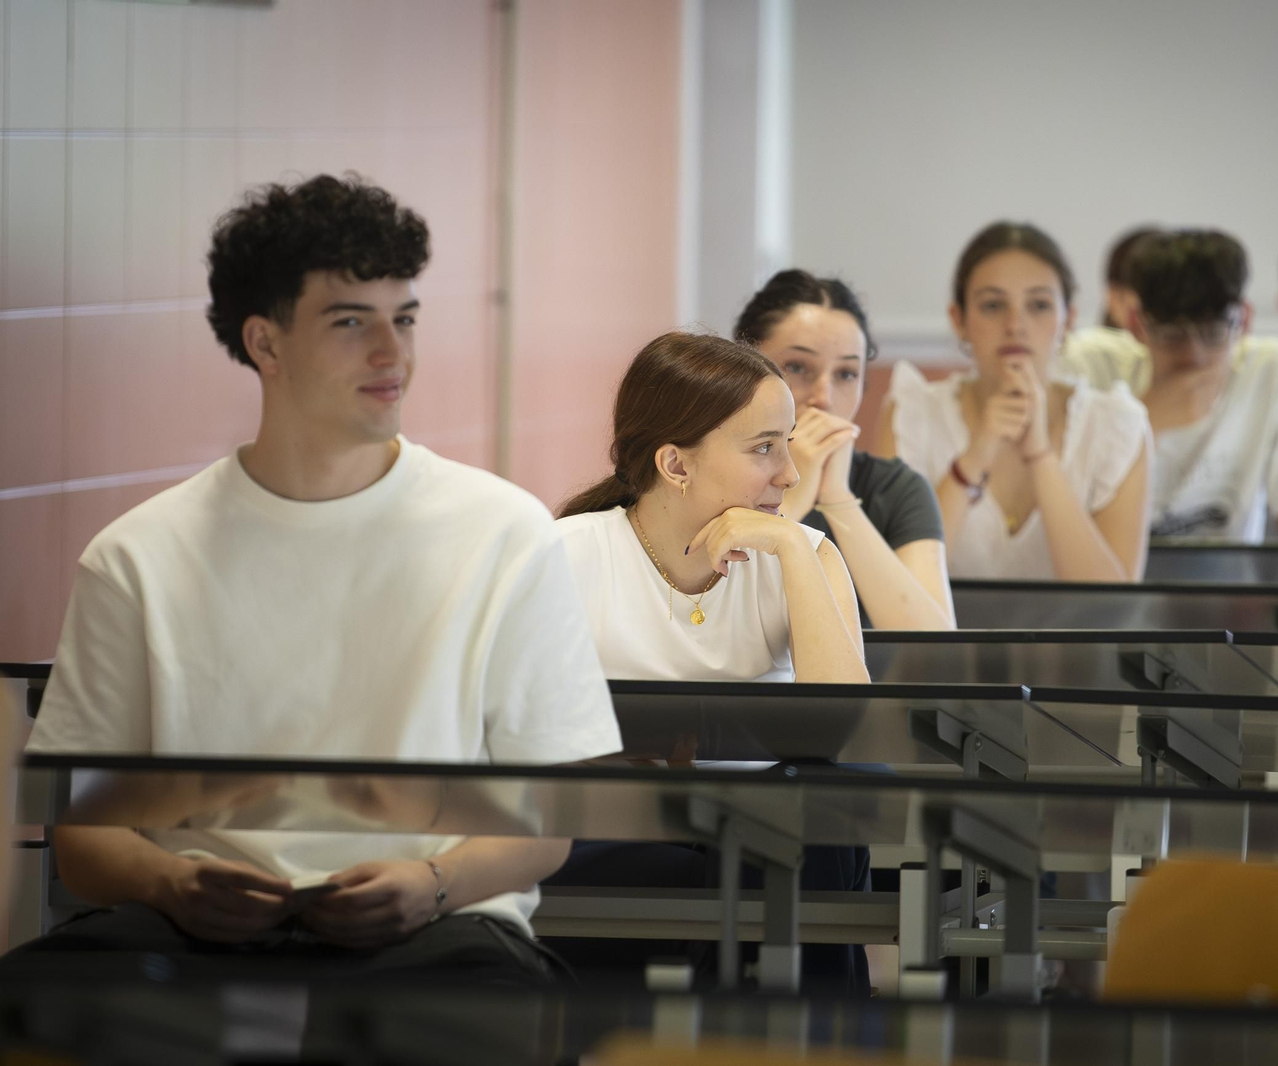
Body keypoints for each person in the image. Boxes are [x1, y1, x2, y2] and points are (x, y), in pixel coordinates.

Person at [15, 175, 620, 984]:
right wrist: (172, 882)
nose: (392, 353)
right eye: (349, 322)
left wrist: (430, 884)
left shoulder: (505, 535)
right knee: (44, 996)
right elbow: (84, 838)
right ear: (265, 343)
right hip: (189, 934)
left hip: (437, 932)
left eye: (403, 318)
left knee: (480, 1009)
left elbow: (548, 822)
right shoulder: (138, 558)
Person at [549, 331, 871, 992]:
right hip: (617, 828)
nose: (788, 472)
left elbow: (849, 731)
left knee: (810, 824)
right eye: (763, 449)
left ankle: (797, 1043)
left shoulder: (805, 557)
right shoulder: (564, 556)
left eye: (787, 444)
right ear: (675, 464)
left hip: (768, 831)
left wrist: (790, 549)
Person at [877, 221, 1152, 581]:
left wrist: (1040, 456)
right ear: (959, 320)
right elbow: (890, 585)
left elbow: (1112, 604)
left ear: (1067, 319)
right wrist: (976, 456)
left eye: (1038, 305)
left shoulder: (1116, 426)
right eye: (992, 305)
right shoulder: (911, 415)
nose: (1015, 324)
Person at [1063, 228, 1278, 543]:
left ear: (1244, 321)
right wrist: (1142, 418)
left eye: (1214, 333)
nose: (1194, 356)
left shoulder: (1277, 373)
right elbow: (1053, 526)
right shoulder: (1089, 367)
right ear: (1136, 325)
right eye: (1172, 334)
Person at [734, 269, 953, 629]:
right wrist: (792, 494)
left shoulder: (898, 489)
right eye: (798, 367)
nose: (825, 397)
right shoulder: (709, 476)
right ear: (741, 368)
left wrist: (837, 499)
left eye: (847, 373)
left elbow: (934, 655)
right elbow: (713, 619)